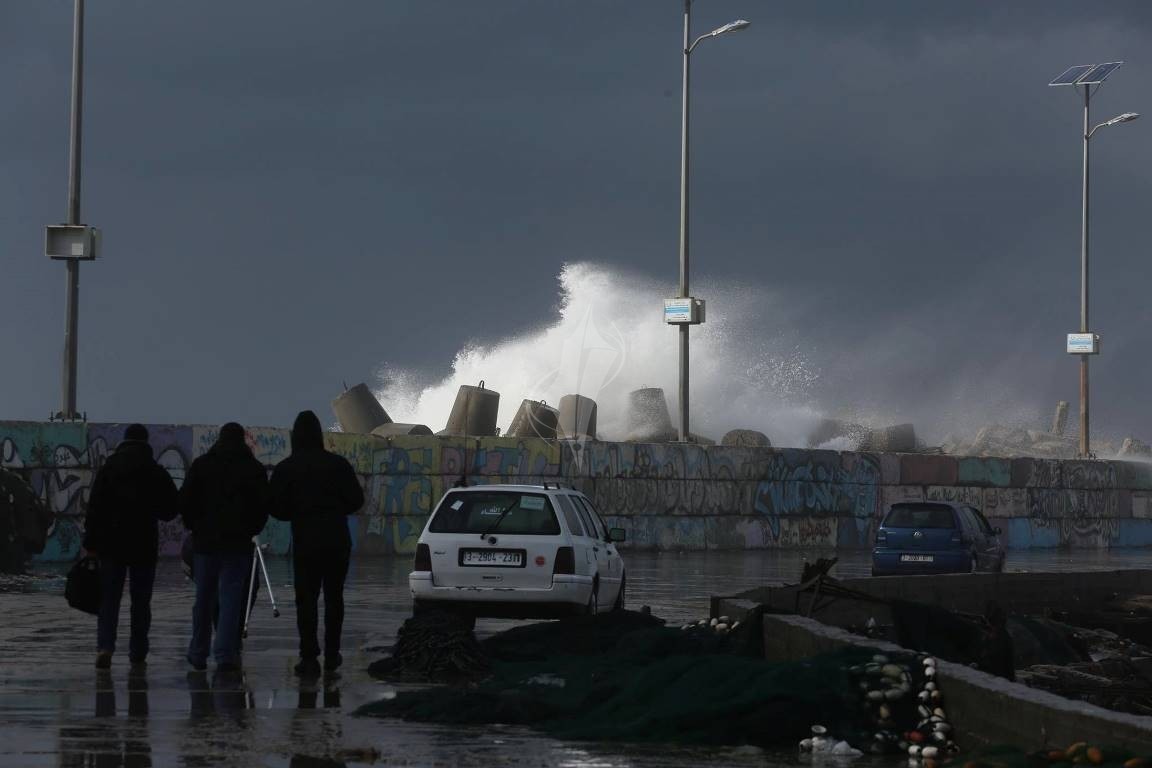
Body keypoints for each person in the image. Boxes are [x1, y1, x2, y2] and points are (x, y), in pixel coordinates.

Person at [270, 410, 364, 676]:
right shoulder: (338, 464)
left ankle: (309, 656)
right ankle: (332, 654)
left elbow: (275, 506)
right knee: (335, 599)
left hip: (305, 542)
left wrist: (296, 511)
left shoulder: (287, 467)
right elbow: (356, 500)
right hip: (336, 540)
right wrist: (335, 509)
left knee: (306, 600)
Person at [83, 423, 179, 669]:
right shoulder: (154, 470)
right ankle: (138, 651)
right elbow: (171, 508)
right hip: (143, 544)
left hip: (111, 545)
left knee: (109, 599)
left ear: (124, 441)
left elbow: (94, 509)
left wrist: (91, 545)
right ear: (146, 443)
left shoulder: (109, 468)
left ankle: (105, 646)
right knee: (140, 602)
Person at [180, 422, 269, 672]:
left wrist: (194, 527)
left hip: (205, 544)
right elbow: (263, 506)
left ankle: (198, 653)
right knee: (231, 598)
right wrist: (252, 529)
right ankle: (225, 654)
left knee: (204, 598)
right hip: (238, 544)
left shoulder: (202, 465)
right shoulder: (253, 469)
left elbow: (185, 500)